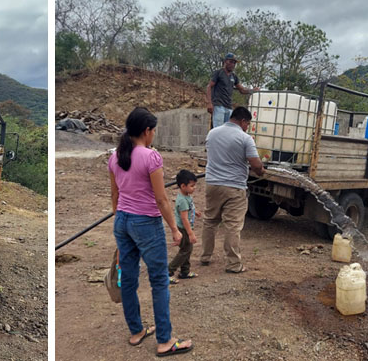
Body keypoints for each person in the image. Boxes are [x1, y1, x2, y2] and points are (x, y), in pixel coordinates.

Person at [109, 107, 193, 357]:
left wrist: (120, 224)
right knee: (159, 281)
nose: (154, 135)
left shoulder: (114, 157)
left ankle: (136, 332)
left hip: (122, 221)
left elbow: (115, 195)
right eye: (153, 131)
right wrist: (175, 230)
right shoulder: (151, 157)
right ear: (147, 131)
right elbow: (161, 199)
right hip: (146, 222)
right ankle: (165, 341)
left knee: (129, 279)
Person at [200, 106, 265, 273]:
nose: (247, 127)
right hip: (234, 187)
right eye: (247, 123)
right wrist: (261, 170)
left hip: (212, 184)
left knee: (209, 221)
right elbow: (256, 164)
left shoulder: (212, 133)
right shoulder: (245, 138)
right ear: (242, 121)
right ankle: (234, 264)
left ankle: (205, 257)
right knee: (232, 226)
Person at [206, 53, 259, 128]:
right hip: (219, 106)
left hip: (229, 107)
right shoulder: (219, 73)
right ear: (225, 62)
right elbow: (209, 86)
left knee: (228, 129)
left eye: (234, 63)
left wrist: (252, 90)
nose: (233, 64)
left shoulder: (234, 76)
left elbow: (242, 90)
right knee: (218, 129)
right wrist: (209, 103)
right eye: (231, 62)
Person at [168, 169, 200, 283]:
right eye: (192, 186)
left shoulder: (186, 195)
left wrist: (195, 211)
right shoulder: (182, 200)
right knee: (185, 250)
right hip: (184, 229)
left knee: (187, 249)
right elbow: (184, 218)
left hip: (185, 227)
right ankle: (168, 271)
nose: (194, 188)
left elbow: (187, 210)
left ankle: (185, 271)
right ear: (183, 186)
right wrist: (190, 233)